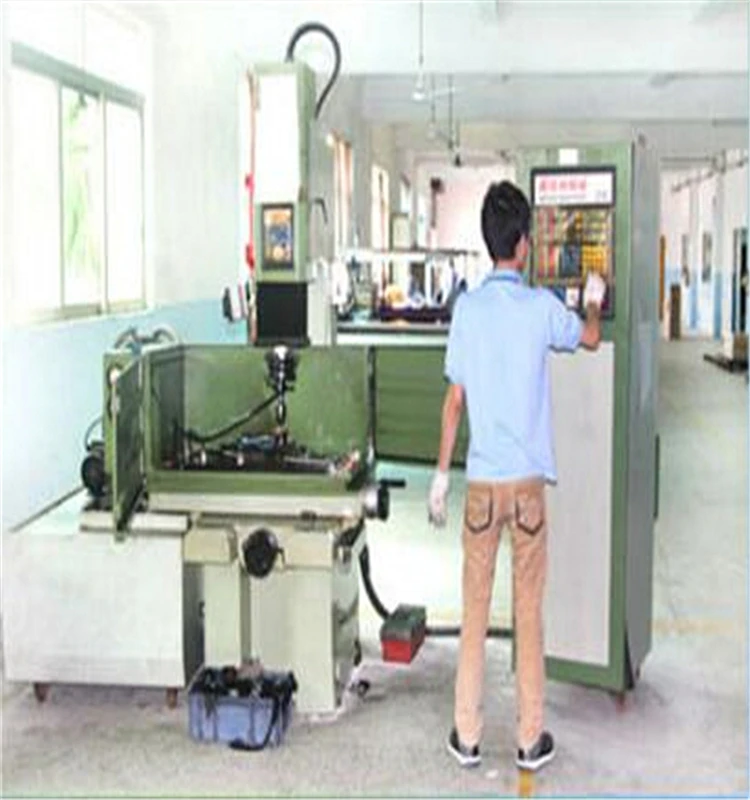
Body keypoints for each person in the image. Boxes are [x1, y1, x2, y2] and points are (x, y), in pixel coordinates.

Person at [427, 180, 606, 773]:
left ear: (488, 242)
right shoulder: (540, 307)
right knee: (529, 614)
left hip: (481, 487)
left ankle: (467, 737)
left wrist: (440, 477)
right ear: (524, 243)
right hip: (527, 489)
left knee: (474, 612)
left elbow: (455, 402)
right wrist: (593, 300)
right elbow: (589, 337)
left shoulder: (468, 311)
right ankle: (530, 742)